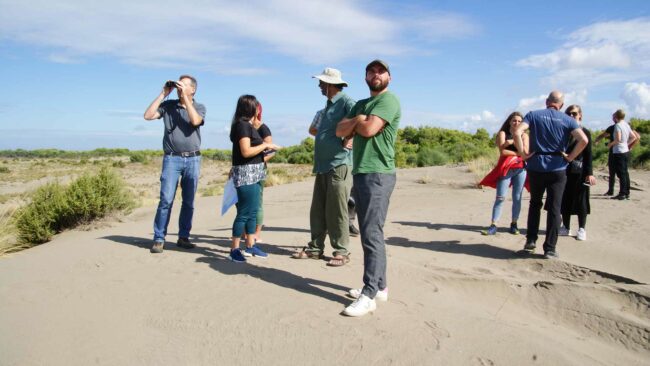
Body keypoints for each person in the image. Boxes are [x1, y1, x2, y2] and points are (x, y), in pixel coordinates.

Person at [336, 59, 400, 316]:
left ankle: (369, 293)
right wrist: (358, 120)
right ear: (365, 76)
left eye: (380, 71)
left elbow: (370, 128)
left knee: (371, 233)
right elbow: (340, 130)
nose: (376, 75)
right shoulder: (362, 105)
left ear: (388, 77)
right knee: (368, 231)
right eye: (371, 71)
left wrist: (359, 123)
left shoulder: (389, 101)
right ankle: (380, 287)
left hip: (379, 174)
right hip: (361, 172)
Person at [292, 68, 356, 266]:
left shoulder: (346, 101)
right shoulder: (328, 105)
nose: (319, 86)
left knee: (337, 210)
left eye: (321, 83)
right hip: (323, 165)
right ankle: (315, 248)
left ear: (330, 84)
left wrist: (350, 137)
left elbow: (361, 120)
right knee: (318, 209)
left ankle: (341, 251)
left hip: (339, 163)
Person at [513, 91, 588, 259]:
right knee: (554, 208)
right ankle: (550, 248)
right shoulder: (568, 119)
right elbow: (584, 140)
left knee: (535, 204)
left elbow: (517, 132)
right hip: (557, 168)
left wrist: (523, 154)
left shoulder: (533, 115)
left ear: (547, 101)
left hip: (536, 166)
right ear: (561, 105)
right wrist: (570, 157)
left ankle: (531, 240)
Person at [144, 75, 206, 254]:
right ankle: (158, 238)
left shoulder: (199, 107)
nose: (179, 88)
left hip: (193, 159)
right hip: (172, 159)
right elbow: (148, 116)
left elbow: (195, 121)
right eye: (179, 85)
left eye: (184, 85)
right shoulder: (168, 106)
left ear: (192, 89)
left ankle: (184, 237)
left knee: (188, 202)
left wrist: (185, 99)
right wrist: (163, 94)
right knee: (166, 200)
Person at [228, 95, 280, 263]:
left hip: (255, 173)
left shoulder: (247, 126)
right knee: (244, 213)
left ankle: (250, 246)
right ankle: (234, 249)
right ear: (250, 108)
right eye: (256, 106)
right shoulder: (242, 126)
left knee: (252, 212)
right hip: (246, 174)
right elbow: (245, 152)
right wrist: (266, 145)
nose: (258, 109)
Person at [479, 112, 529, 236]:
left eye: (519, 121)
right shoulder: (503, 133)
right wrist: (518, 152)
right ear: (509, 121)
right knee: (500, 197)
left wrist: (512, 142)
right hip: (505, 168)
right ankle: (493, 224)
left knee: (517, 198)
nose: (516, 123)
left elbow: (526, 152)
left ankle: (514, 224)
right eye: (514, 120)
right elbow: (503, 152)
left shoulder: (525, 135)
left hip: (520, 169)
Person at [558, 105, 596, 241]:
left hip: (580, 171)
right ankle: (566, 227)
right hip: (564, 170)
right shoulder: (563, 131)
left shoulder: (585, 132)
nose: (571, 116)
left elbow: (588, 155)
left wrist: (589, 173)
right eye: (568, 113)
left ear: (580, 115)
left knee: (582, 201)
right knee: (565, 199)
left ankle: (582, 229)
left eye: (574, 113)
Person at [250, 103, 274, 244]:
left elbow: (271, 151)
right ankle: (247, 231)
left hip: (258, 169)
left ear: (257, 110)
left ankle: (257, 234)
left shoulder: (263, 129)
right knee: (244, 201)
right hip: (243, 168)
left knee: (257, 202)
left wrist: (257, 160)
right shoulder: (245, 126)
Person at [606, 109, 637, 200]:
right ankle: (626, 192)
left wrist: (610, 144)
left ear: (616, 117)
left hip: (619, 152)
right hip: (625, 151)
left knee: (621, 173)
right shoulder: (626, 125)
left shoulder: (618, 126)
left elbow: (618, 139)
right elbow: (634, 137)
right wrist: (626, 144)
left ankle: (622, 193)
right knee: (625, 172)